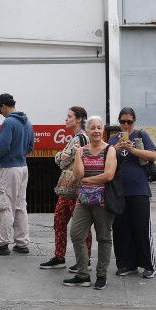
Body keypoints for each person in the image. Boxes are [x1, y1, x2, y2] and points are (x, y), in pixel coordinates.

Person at [63, 116, 118, 289]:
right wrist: (78, 155)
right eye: (92, 128)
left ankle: (101, 275)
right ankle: (83, 275)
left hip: (103, 201)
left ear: (103, 130)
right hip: (84, 200)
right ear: (87, 131)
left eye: (99, 127)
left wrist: (87, 180)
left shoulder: (109, 150)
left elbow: (108, 175)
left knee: (103, 237)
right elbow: (78, 175)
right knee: (76, 234)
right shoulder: (82, 150)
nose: (96, 131)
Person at [0, 93, 34, 256]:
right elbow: (30, 147)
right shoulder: (27, 122)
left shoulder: (9, 122)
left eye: (0, 110)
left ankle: (1, 243)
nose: (1, 114)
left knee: (2, 204)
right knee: (20, 205)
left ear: (3, 106)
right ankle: (22, 243)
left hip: (8, 168)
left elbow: (3, 146)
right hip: (23, 167)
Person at [111, 107, 156, 279]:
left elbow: (153, 156)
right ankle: (126, 264)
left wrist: (133, 150)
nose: (126, 125)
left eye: (129, 122)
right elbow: (105, 159)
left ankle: (149, 265)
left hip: (139, 190)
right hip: (118, 191)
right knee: (120, 229)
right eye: (122, 122)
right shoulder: (113, 139)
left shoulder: (141, 135)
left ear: (134, 121)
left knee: (141, 228)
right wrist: (115, 148)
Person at [40, 105, 89, 270]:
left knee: (79, 224)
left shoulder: (80, 139)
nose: (66, 119)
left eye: (69, 116)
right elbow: (62, 159)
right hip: (68, 187)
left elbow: (63, 162)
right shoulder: (76, 138)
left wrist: (61, 157)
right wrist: (61, 156)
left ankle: (84, 260)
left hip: (75, 187)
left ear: (79, 119)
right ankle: (60, 256)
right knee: (60, 220)